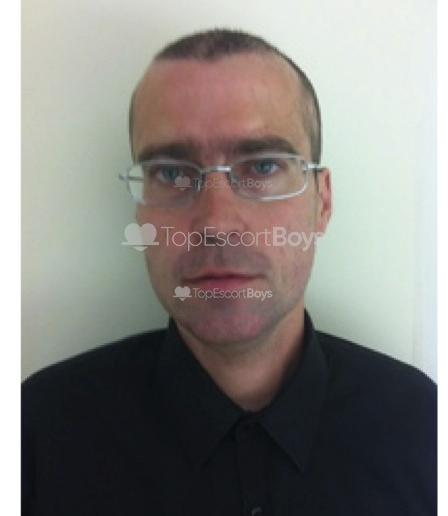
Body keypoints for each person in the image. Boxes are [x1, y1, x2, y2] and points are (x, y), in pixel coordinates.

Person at [22, 29, 436, 515]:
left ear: (321, 202)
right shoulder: (38, 435)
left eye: (262, 167)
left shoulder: (422, 426)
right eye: (171, 173)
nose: (216, 224)